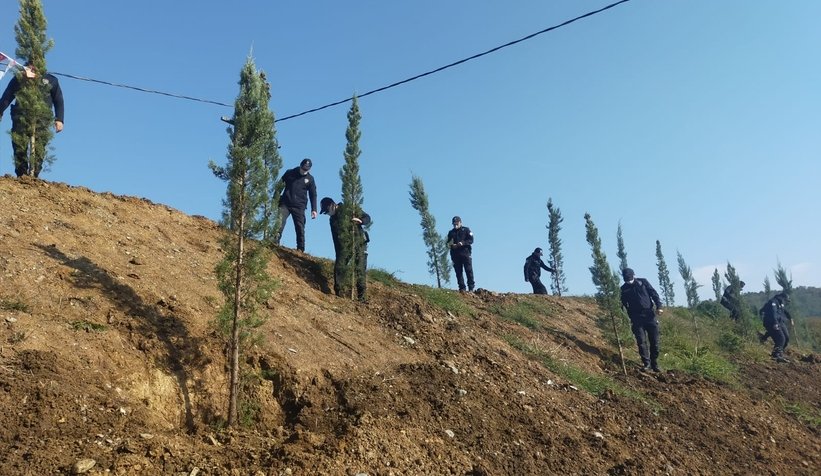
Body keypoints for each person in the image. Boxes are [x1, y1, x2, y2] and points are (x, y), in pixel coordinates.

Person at [0, 62, 64, 177]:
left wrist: (59, 119)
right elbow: (8, 95)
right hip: (21, 115)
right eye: (30, 64)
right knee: (19, 144)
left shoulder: (51, 80)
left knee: (39, 146)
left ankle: (34, 174)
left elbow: (58, 100)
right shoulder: (20, 78)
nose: (32, 67)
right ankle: (22, 174)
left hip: (42, 118)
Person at [320, 197, 371, 302]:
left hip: (359, 241)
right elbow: (335, 238)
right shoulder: (332, 220)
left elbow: (367, 217)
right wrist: (338, 254)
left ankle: (362, 298)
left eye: (326, 211)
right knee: (339, 266)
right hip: (345, 246)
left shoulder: (348, 208)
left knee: (360, 269)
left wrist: (361, 221)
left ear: (332, 205)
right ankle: (339, 294)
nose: (327, 214)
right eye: (325, 213)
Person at [620, 268, 664, 372]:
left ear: (633, 275)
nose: (628, 281)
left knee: (655, 341)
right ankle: (646, 363)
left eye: (629, 278)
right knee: (641, 341)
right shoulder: (623, 289)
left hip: (649, 315)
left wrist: (659, 306)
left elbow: (654, 294)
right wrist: (627, 316)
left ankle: (655, 364)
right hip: (636, 318)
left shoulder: (643, 282)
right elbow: (623, 305)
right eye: (626, 279)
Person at [274, 158, 317, 252]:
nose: (304, 171)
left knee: (300, 227)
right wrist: (274, 200)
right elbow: (279, 186)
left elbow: (313, 194)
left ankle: (300, 248)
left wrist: (314, 209)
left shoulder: (310, 179)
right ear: (300, 165)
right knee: (279, 222)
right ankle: (275, 242)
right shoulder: (290, 173)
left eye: (306, 169)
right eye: (303, 168)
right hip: (285, 203)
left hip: (299, 206)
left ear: (309, 169)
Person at [759, 292, 792, 363]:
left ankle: (780, 353)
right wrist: (775, 323)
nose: (786, 302)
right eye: (785, 300)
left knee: (786, 338)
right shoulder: (773, 302)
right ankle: (776, 355)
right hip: (771, 322)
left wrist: (790, 318)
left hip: (780, 322)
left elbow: (784, 311)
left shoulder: (781, 303)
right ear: (782, 298)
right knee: (781, 338)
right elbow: (773, 313)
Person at [447, 216, 474, 293]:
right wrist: (452, 245)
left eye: (457, 223)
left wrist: (462, 243)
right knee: (458, 272)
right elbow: (448, 243)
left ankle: (471, 288)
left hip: (465, 254)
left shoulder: (466, 230)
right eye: (454, 224)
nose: (455, 225)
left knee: (468, 270)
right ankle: (462, 288)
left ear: (460, 223)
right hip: (455, 255)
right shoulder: (451, 232)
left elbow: (471, 240)